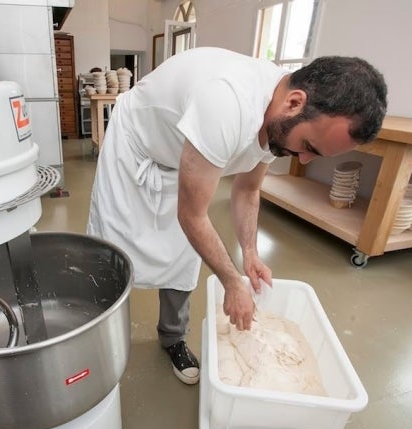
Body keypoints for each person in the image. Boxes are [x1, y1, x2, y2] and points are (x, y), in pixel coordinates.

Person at [86, 47, 387, 385]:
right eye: (309, 147)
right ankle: (101, 342)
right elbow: (192, 215)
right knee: (113, 248)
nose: (303, 160)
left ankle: (173, 338)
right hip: (136, 146)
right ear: (294, 103)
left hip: (183, 155)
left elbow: (248, 189)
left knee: (183, 256)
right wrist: (232, 283)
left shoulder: (282, 114)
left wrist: (251, 253)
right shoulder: (227, 102)